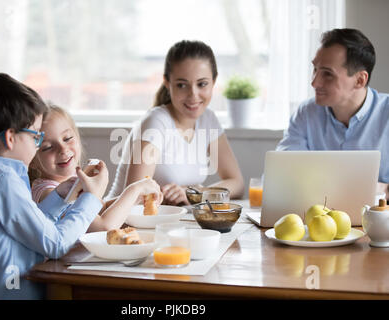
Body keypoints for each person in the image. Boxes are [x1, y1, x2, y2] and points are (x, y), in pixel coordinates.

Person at [0, 73, 108, 300]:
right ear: (10, 138)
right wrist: (92, 197)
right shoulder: (1, 182)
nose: (36, 146)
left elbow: (25, 226)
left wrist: (60, 196)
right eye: (36, 137)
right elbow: (55, 244)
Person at [107, 40, 244, 205]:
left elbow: (236, 182)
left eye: (202, 84)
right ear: (167, 83)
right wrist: (179, 196)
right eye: (181, 85)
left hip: (170, 223)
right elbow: (134, 199)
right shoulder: (156, 122)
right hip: (120, 224)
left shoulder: (208, 119)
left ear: (214, 82)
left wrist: (196, 193)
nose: (193, 95)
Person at [276, 28, 389, 199]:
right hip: (317, 217)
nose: (314, 83)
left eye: (327, 74)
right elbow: (284, 175)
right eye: (315, 69)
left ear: (360, 80)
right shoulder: (306, 113)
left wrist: (383, 189)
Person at [29, 104, 163, 231]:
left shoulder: (76, 181)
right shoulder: (48, 193)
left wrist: (138, 197)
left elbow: (100, 209)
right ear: (32, 159)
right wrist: (134, 189)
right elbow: (103, 227)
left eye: (67, 138)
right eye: (47, 147)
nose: (63, 149)